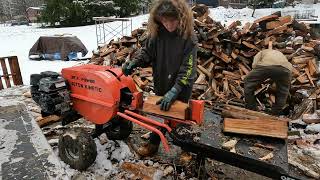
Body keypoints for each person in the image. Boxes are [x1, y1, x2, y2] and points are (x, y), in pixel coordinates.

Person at [122, 0, 197, 156]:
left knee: (181, 116)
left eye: (172, 20)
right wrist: (134, 62)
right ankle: (153, 145)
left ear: (181, 18)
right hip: (162, 80)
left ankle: (186, 150)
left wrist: (175, 90)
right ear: (159, 19)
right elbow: (147, 52)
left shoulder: (188, 38)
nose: (168, 24)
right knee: (159, 114)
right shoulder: (157, 34)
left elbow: (188, 69)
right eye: (164, 20)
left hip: (181, 85)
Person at [244, 44, 292, 116]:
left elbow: (254, 66)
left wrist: (257, 79)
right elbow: (276, 70)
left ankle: (251, 107)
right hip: (286, 69)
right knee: (283, 91)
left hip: (266, 65)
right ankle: (277, 112)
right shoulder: (279, 54)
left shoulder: (261, 52)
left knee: (248, 81)